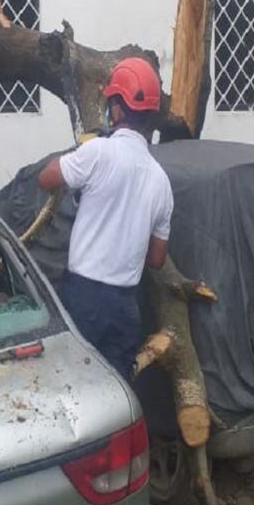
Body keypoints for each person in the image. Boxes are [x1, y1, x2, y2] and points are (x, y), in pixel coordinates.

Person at [37, 58, 174, 381]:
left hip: (84, 299)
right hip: (126, 306)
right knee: (118, 395)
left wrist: (80, 150)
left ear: (117, 109)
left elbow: (46, 179)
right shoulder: (161, 181)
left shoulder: (97, 152)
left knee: (77, 386)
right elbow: (157, 258)